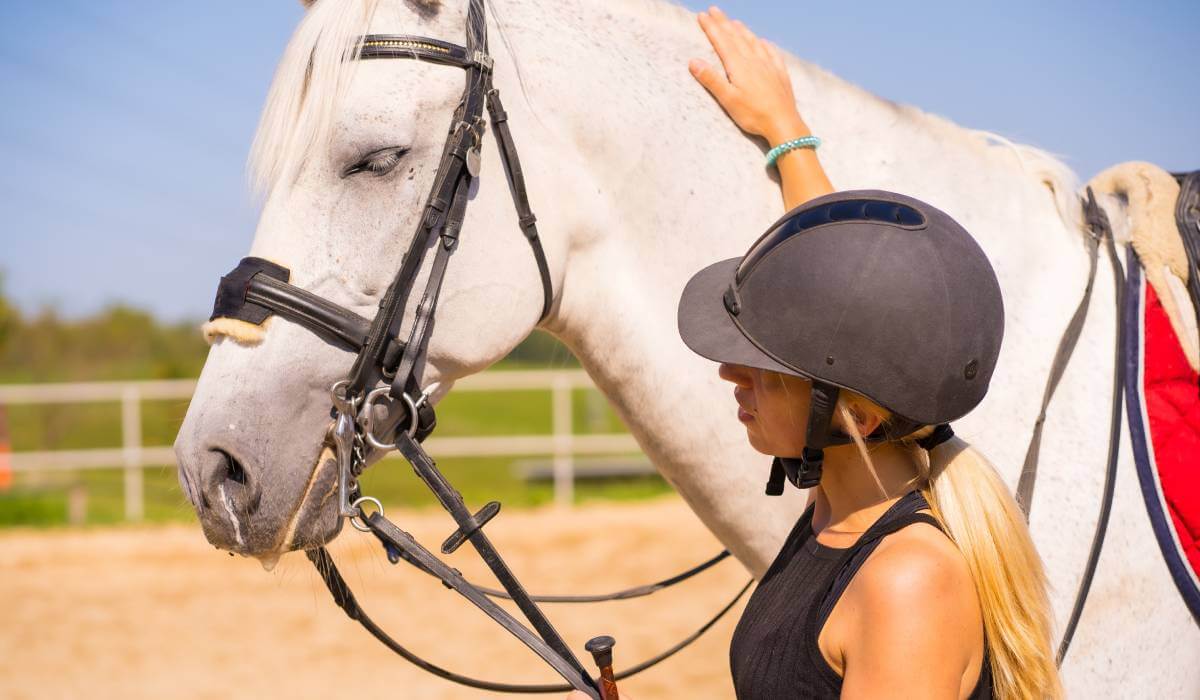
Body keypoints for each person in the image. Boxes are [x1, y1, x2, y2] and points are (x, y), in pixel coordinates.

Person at [573, 7, 1062, 699]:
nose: (729, 371)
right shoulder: (839, 511)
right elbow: (849, 297)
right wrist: (787, 136)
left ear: (857, 418)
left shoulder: (905, 585)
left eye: (767, 368)